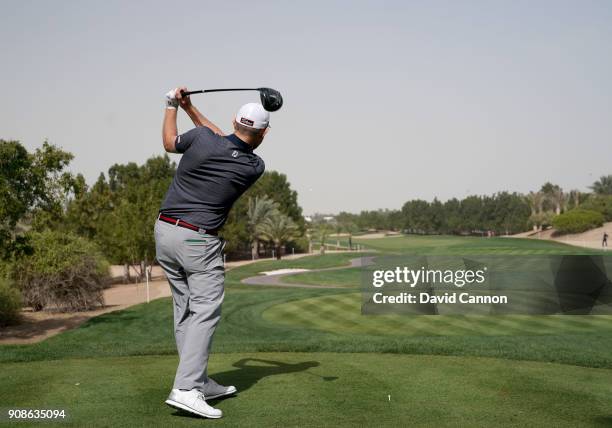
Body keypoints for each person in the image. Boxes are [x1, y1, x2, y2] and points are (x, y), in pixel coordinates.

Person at [154, 87, 270, 418]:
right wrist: (190, 108)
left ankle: (198, 380)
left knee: (185, 309)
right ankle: (186, 388)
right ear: (263, 133)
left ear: (235, 120)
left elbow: (172, 141)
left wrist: (174, 105)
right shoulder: (253, 165)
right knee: (204, 311)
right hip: (197, 242)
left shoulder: (203, 139)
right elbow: (228, 140)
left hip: (164, 232)